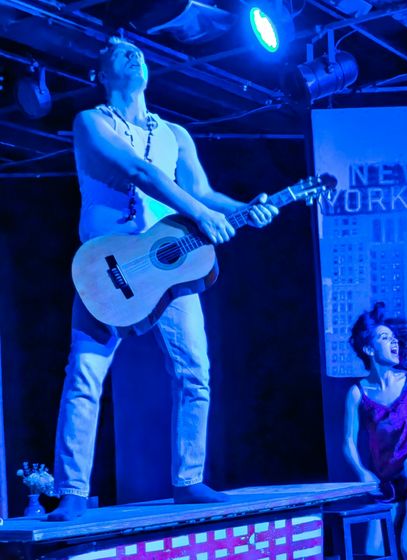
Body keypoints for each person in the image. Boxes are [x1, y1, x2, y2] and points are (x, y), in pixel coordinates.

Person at [48, 36, 278, 521]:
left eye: (138, 50)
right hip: (106, 267)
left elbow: (204, 193)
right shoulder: (90, 121)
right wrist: (202, 214)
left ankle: (189, 480)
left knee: (196, 372)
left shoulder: (176, 134)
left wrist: (246, 208)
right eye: (118, 51)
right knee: (85, 375)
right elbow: (139, 171)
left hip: (167, 270)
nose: (133, 52)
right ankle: (71, 492)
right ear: (100, 74)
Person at [343, 302, 407, 560]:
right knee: (373, 552)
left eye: (393, 338)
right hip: (387, 482)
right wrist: (362, 472)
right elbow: (348, 442)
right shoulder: (357, 393)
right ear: (369, 349)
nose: (393, 342)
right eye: (384, 337)